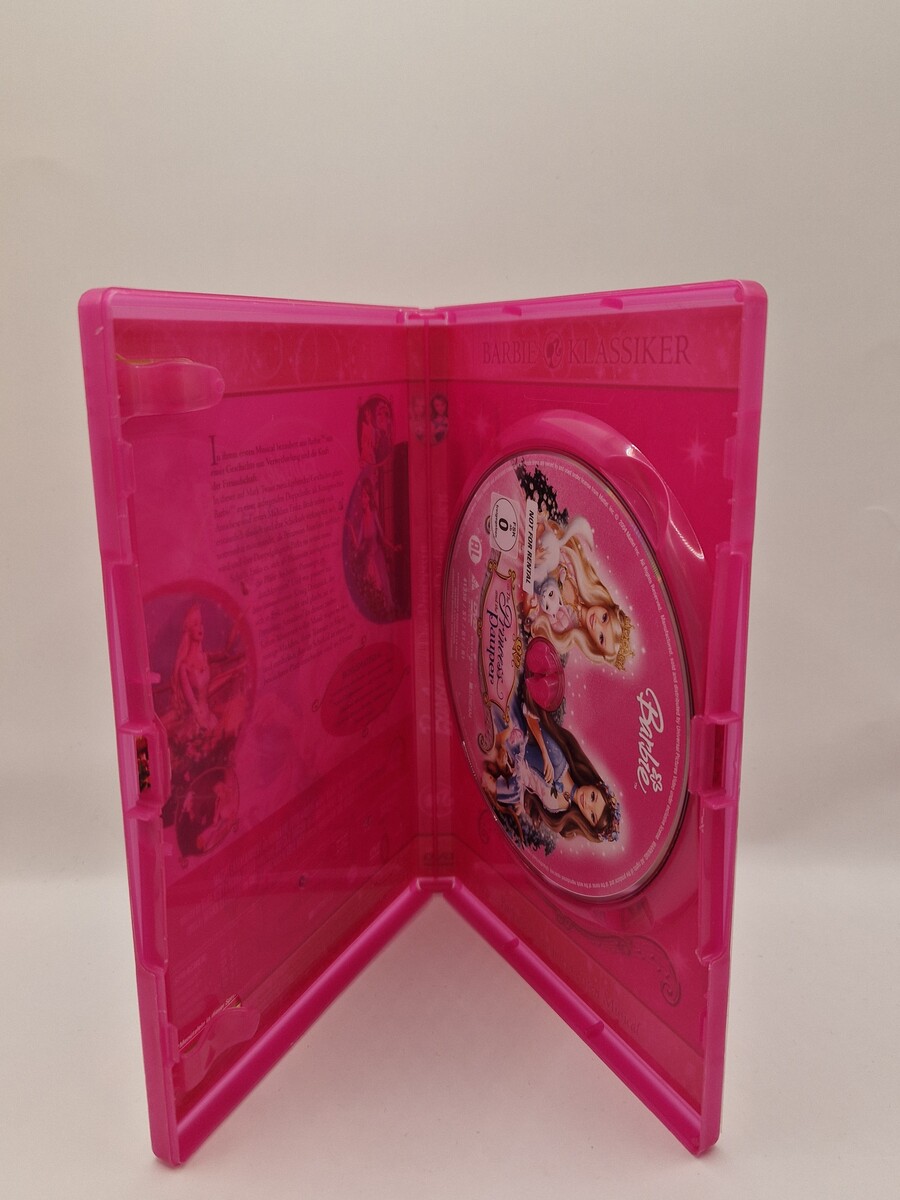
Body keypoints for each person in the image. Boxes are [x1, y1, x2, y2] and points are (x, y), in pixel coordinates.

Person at [530, 535, 632, 670]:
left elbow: (534, 607)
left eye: (601, 637)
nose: (597, 623)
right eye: (604, 618)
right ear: (607, 607)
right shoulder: (577, 572)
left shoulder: (564, 626)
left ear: (596, 646)